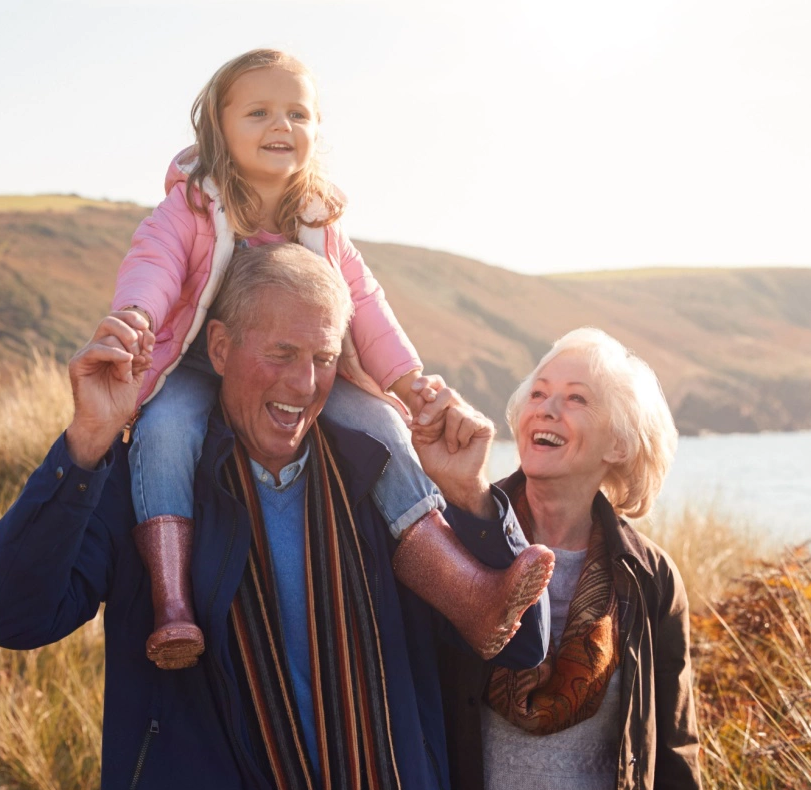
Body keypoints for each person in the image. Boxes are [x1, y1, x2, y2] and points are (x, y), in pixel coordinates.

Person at [0, 243, 549, 790]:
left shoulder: (384, 482)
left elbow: (520, 648)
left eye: (324, 358)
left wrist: (471, 500)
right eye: (280, 354)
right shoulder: (147, 488)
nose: (304, 384)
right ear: (218, 349)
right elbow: (7, 617)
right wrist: (85, 443)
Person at [108, 48, 553, 670]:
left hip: (304, 368)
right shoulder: (193, 206)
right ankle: (173, 604)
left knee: (384, 426)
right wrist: (136, 318)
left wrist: (405, 377)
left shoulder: (320, 222)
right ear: (218, 124)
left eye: (298, 113)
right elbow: (153, 264)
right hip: (197, 362)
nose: (280, 126)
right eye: (259, 111)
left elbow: (364, 302)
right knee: (164, 432)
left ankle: (468, 592)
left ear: (317, 131)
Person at [428, 329, 709, 790]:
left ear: (619, 444)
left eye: (576, 399)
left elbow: (676, 764)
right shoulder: (454, 542)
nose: (547, 409)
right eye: (539, 394)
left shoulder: (649, 579)